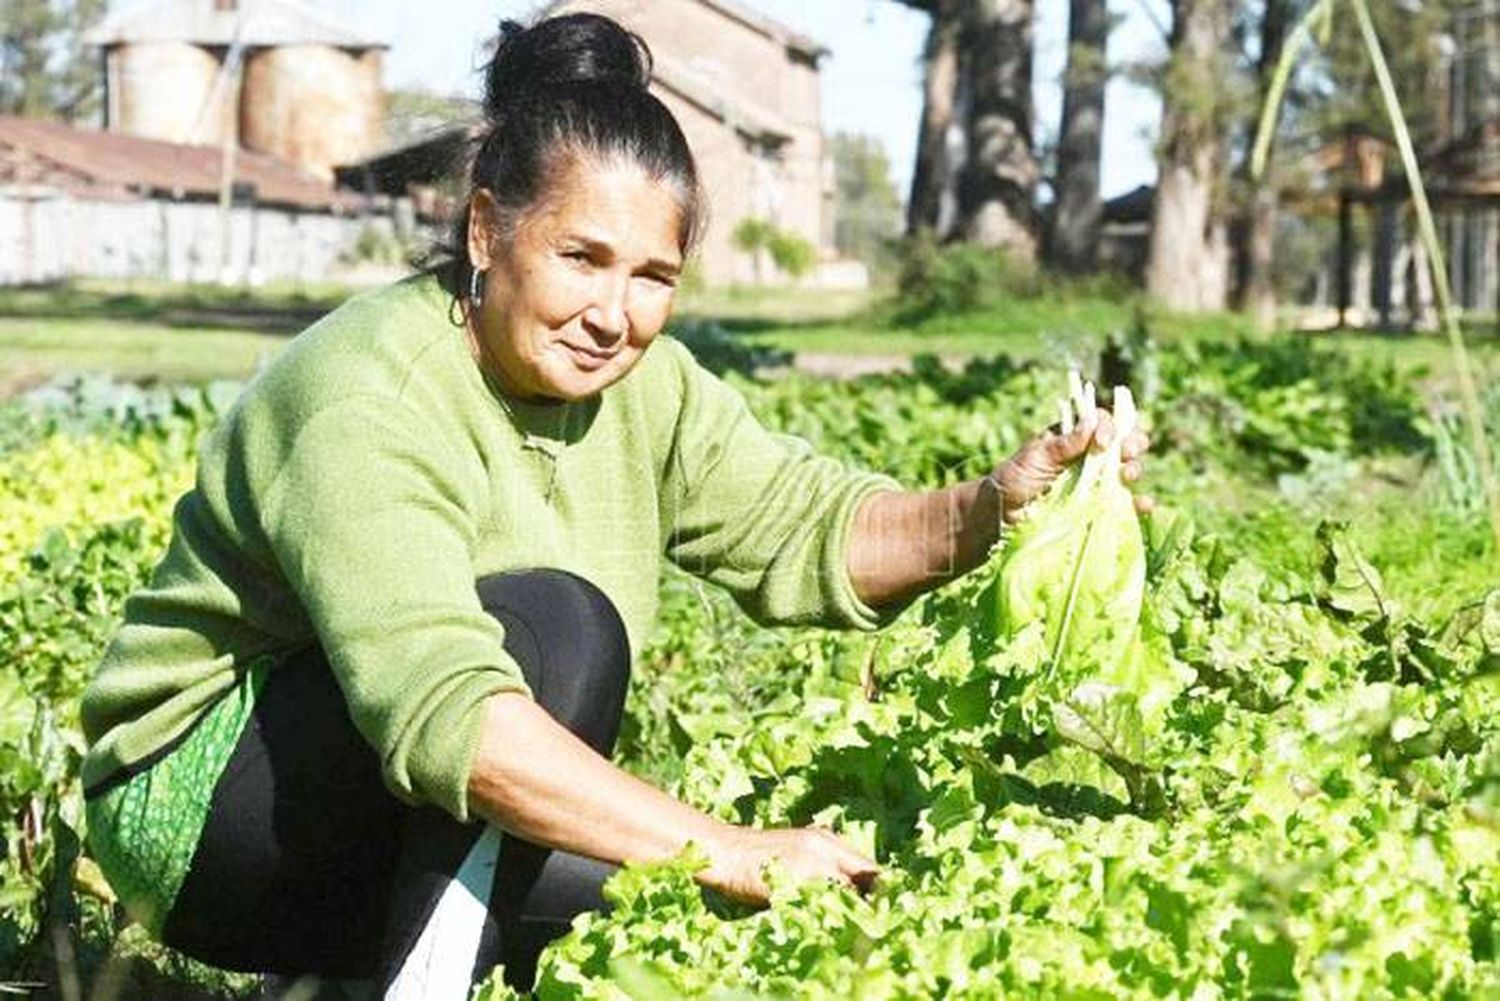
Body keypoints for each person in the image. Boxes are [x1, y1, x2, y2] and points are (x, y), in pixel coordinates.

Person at [79, 11, 1149, 999]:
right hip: (204, 812)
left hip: (389, 802)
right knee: (563, 629)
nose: (613, 313)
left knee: (686, 912)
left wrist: (1002, 503)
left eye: (651, 274)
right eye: (581, 258)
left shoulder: (647, 386)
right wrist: (727, 841)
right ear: (489, 231)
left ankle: (354, 972)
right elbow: (450, 717)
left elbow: (812, 530)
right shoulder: (369, 395)